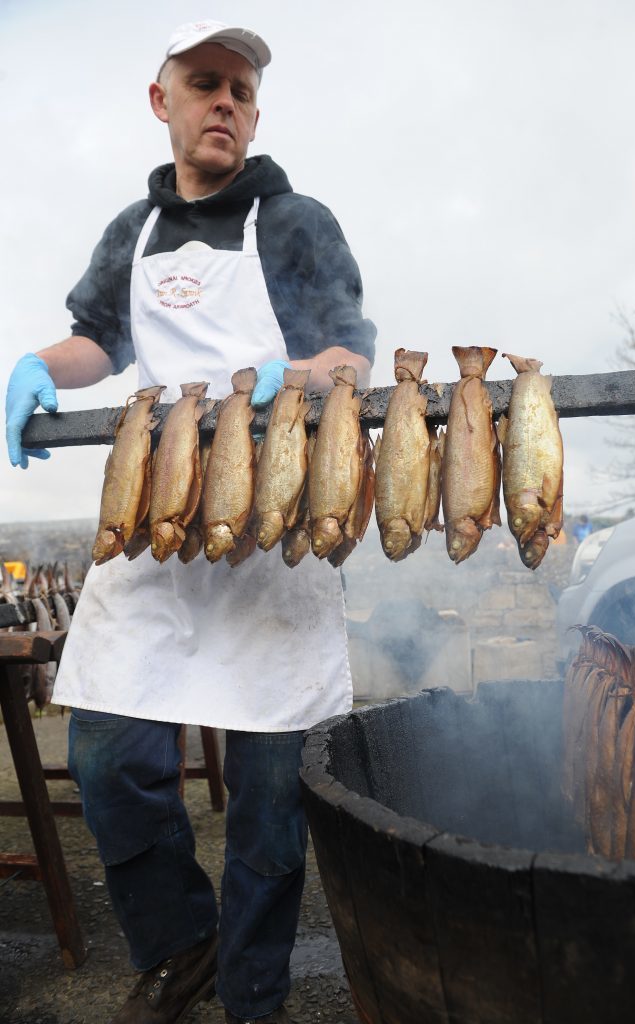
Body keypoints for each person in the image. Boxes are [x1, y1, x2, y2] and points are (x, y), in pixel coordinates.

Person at [5, 20, 375, 1024]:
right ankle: (184, 943)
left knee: (266, 799)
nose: (226, 101)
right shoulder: (133, 230)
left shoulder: (295, 222)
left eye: (242, 90)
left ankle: (256, 988)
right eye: (204, 82)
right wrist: (41, 366)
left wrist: (284, 381)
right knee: (108, 757)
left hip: (274, 540)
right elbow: (96, 341)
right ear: (160, 99)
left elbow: (350, 360)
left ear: (255, 112)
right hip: (155, 530)